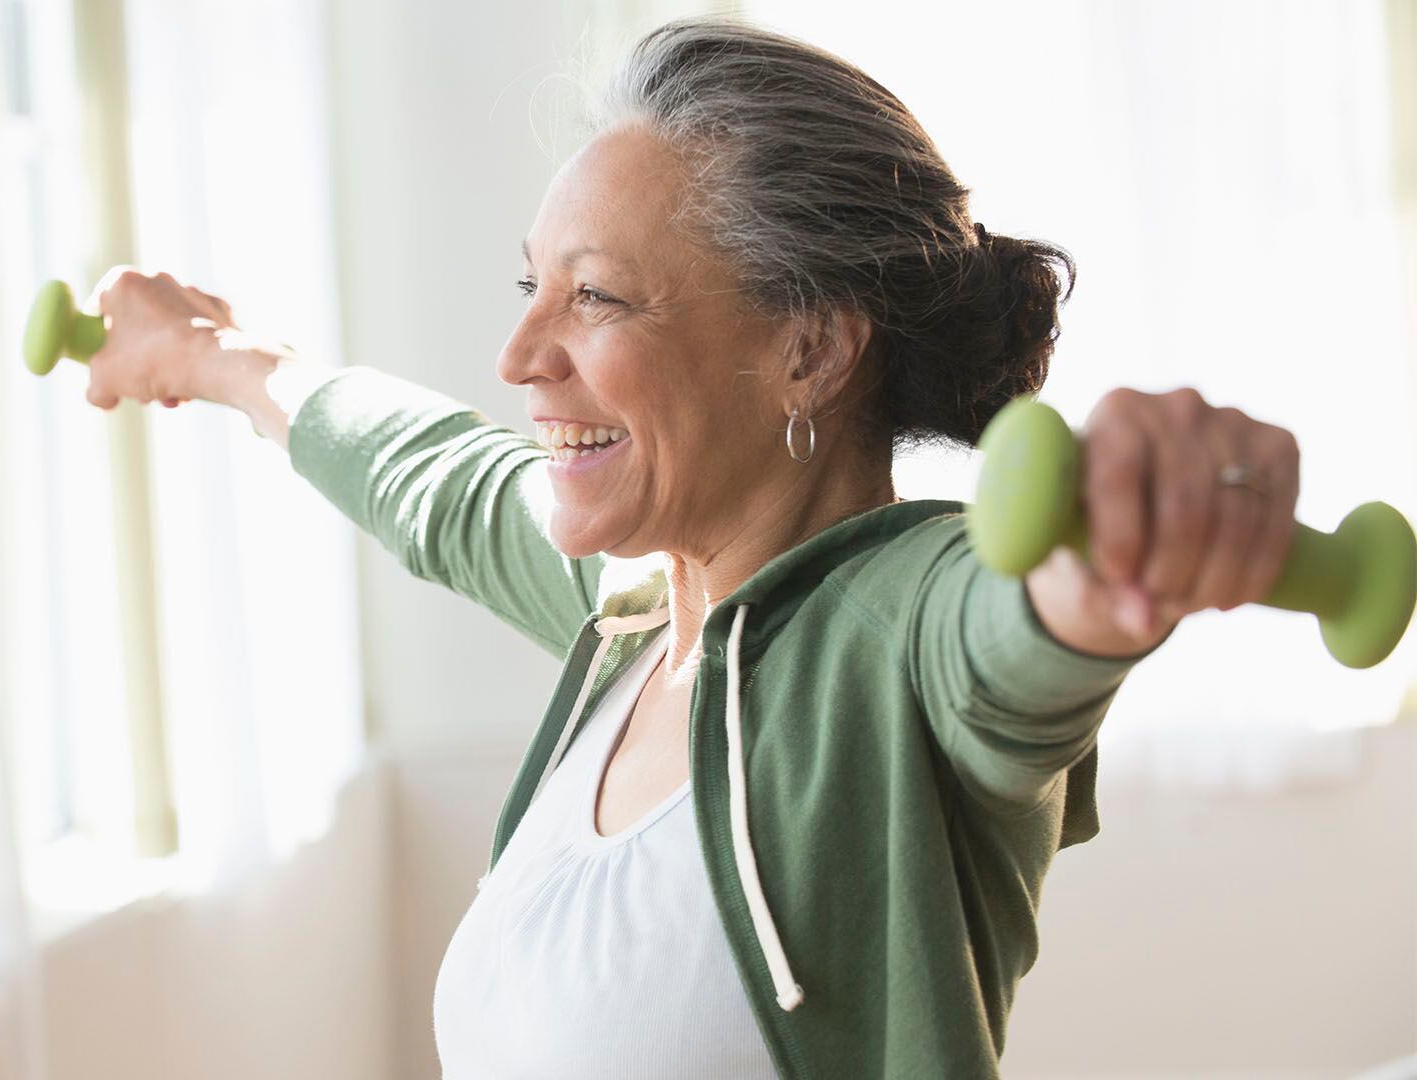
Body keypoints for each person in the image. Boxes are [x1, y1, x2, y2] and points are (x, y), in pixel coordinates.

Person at [77, 16, 1300, 1078]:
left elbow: (1017, 626)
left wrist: (1132, 544)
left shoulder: (895, 636)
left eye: (596, 298)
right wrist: (208, 358)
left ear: (810, 350)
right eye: (530, 287)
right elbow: (433, 478)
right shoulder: (640, 616)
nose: (518, 357)